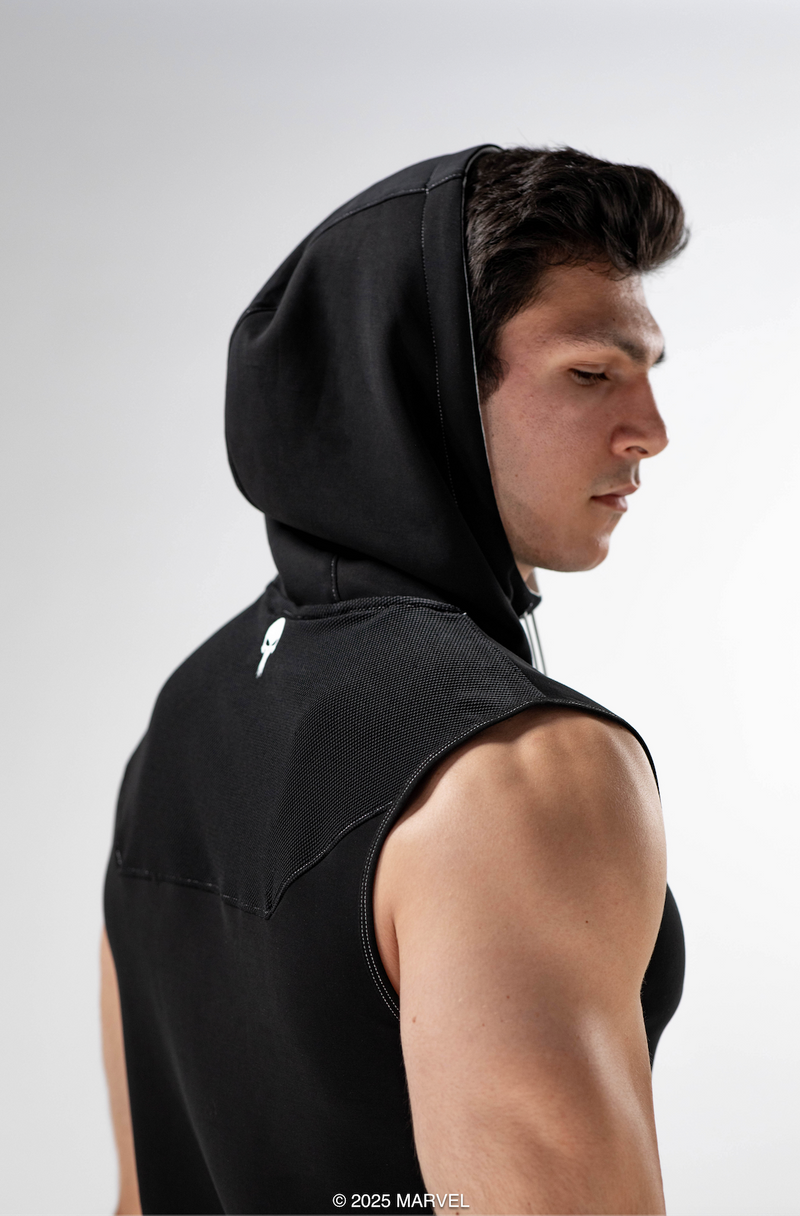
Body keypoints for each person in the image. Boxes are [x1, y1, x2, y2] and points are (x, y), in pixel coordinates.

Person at [102, 145, 687, 1215]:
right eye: (591, 374)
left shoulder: (182, 719)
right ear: (424, 390)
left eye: (649, 371)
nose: (649, 430)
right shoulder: (518, 769)